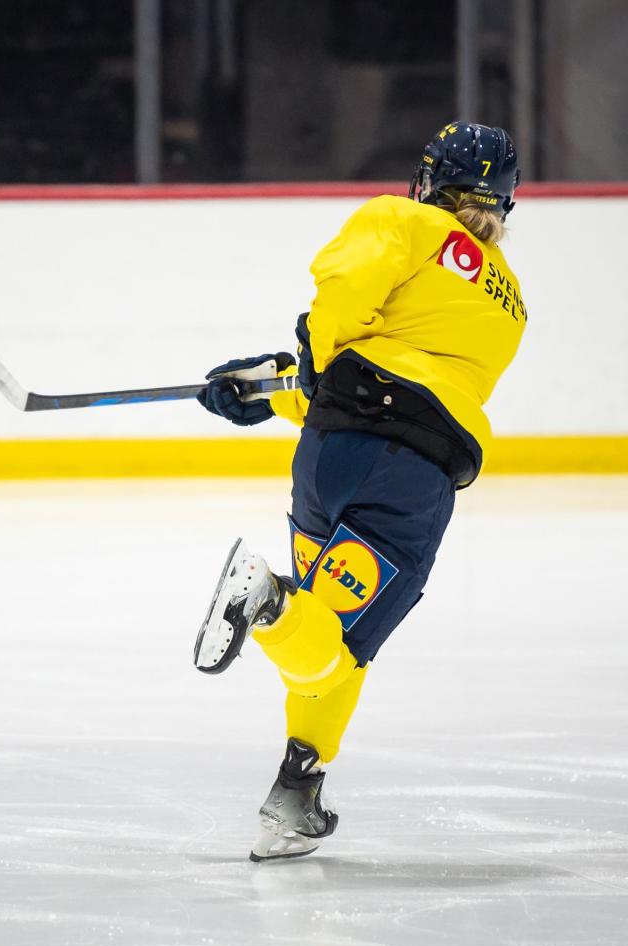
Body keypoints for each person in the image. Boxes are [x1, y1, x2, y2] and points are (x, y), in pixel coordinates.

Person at [195, 121, 526, 861]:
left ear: (429, 177)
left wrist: (271, 387)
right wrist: (301, 371)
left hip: (331, 454)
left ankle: (294, 793)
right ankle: (265, 599)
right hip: (408, 476)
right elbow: (414, 382)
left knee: (326, 632)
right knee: (338, 643)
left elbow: (352, 340)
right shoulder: (510, 303)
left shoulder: (399, 218)